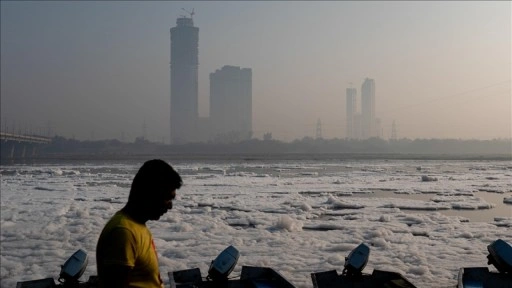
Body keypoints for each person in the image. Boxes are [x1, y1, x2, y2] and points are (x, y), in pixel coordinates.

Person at [96, 159, 183, 288]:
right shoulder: (123, 232)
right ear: (151, 193)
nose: (170, 206)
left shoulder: (138, 226)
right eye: (167, 198)